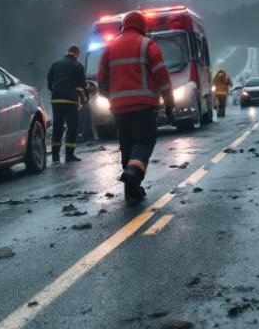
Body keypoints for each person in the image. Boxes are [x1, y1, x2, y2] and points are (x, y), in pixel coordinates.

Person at [97, 11, 174, 201]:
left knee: (127, 145)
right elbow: (161, 76)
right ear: (142, 27)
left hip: (119, 109)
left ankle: (131, 190)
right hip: (143, 106)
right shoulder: (147, 45)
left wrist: (111, 97)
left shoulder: (110, 47)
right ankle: (133, 173)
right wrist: (169, 103)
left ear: (124, 26)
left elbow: (101, 79)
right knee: (144, 141)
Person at [46, 46, 87, 164]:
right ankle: (69, 155)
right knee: (72, 127)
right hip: (71, 101)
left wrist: (56, 91)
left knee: (57, 127)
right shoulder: (78, 66)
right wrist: (84, 100)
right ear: (77, 54)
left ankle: (55, 155)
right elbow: (82, 86)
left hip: (56, 100)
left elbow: (49, 81)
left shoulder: (55, 64)